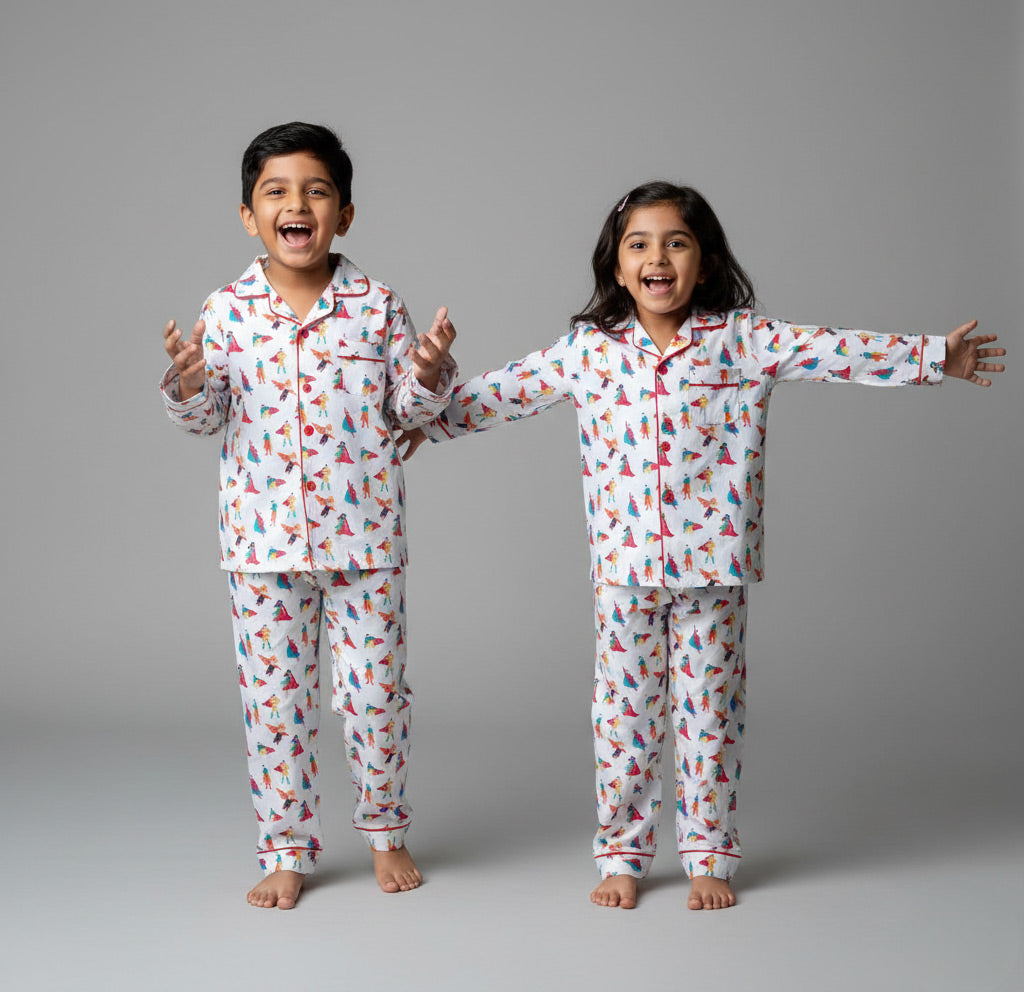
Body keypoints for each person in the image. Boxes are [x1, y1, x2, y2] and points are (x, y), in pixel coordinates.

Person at [400, 180, 1005, 911]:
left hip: (714, 571)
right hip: (624, 573)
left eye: (676, 242)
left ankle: (708, 852)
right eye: (639, 245)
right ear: (617, 267)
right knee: (621, 722)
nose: (658, 258)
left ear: (707, 261)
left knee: (710, 717)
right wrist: (421, 405)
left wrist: (935, 356)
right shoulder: (590, 350)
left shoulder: (743, 341)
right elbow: (499, 394)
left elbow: (834, 350)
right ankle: (622, 855)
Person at [160, 122, 456, 910]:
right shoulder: (225, 311)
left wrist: (431, 373)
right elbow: (206, 420)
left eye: (317, 190)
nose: (298, 205)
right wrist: (188, 385)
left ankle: (386, 832)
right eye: (278, 192)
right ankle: (286, 847)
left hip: (365, 541)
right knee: (275, 705)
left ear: (346, 215)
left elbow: (409, 415)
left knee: (374, 695)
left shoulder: (378, 307)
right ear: (249, 215)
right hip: (263, 547)